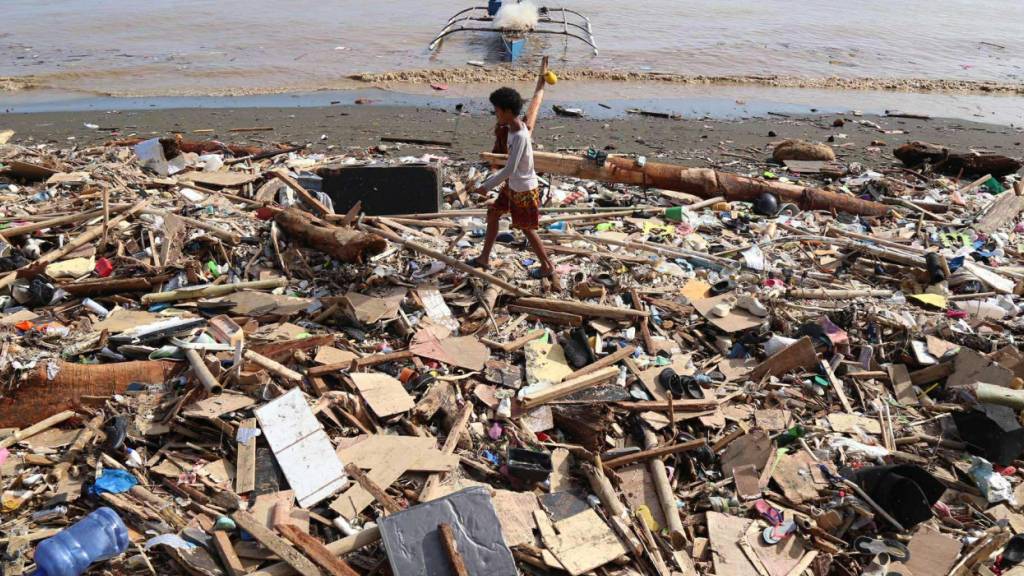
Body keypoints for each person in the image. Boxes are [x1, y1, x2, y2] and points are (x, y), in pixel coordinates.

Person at [468, 61, 555, 283]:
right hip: (513, 186)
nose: (495, 114)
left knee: (526, 229)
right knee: (493, 213)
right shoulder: (513, 127)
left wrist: (485, 186)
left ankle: (547, 266)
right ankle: (484, 258)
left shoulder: (520, 136)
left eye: (497, 111)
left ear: (507, 112)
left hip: (524, 188)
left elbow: (509, 168)